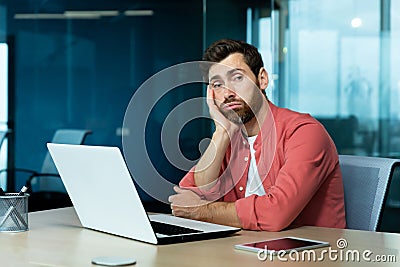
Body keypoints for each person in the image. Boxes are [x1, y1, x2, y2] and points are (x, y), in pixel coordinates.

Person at [168, 39, 346, 231]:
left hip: (307, 255)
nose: (227, 93)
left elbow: (276, 214)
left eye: (237, 78)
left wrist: (202, 211)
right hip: (245, 250)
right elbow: (190, 195)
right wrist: (221, 133)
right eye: (217, 84)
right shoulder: (230, 137)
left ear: (262, 79)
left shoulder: (304, 132)